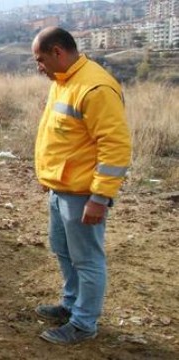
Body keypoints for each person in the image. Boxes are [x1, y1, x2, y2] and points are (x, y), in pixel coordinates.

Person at [31, 27, 131, 345]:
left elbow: (115, 148)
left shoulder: (95, 87)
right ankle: (71, 304)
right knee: (62, 250)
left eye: (40, 59)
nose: (39, 67)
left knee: (87, 259)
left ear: (58, 52)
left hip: (83, 195)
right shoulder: (64, 82)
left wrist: (100, 197)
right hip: (61, 189)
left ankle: (84, 323)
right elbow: (64, 138)